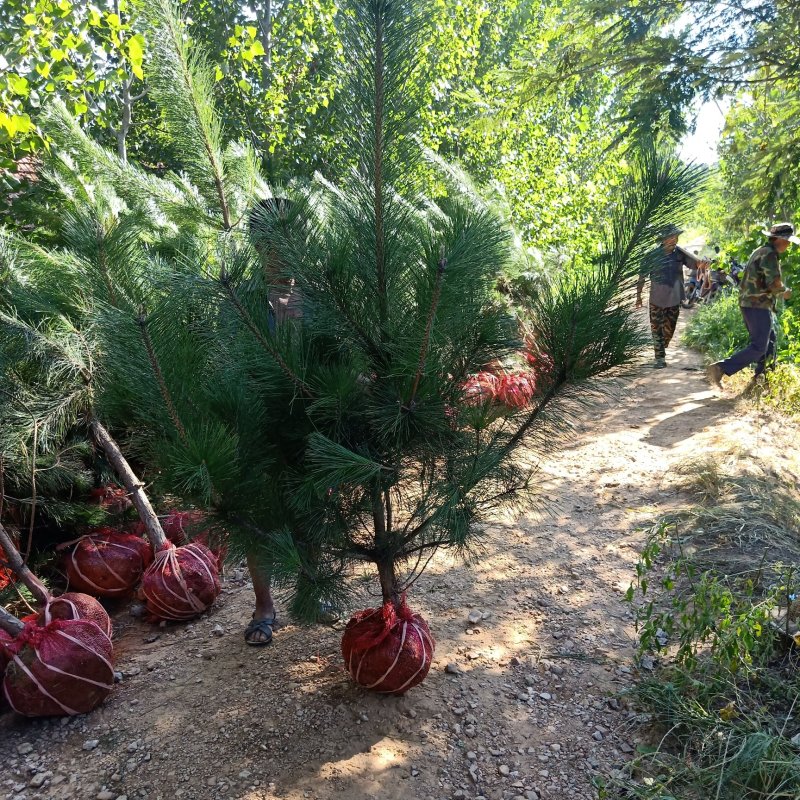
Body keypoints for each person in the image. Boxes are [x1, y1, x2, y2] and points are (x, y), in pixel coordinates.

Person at [707, 222, 797, 390]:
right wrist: (785, 291)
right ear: (778, 239)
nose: (789, 244)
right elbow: (773, 284)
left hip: (753, 304)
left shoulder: (761, 251)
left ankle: (761, 380)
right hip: (757, 305)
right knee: (759, 347)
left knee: (770, 343)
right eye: (787, 240)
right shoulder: (769, 254)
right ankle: (721, 368)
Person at [637, 223, 707, 368]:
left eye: (676, 237)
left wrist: (703, 263)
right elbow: (642, 276)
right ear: (663, 240)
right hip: (657, 299)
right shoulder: (651, 256)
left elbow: (696, 265)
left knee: (669, 330)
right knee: (657, 329)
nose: (674, 239)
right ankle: (660, 358)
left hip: (674, 298)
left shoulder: (680, 254)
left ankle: (663, 346)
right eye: (670, 237)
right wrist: (638, 296)